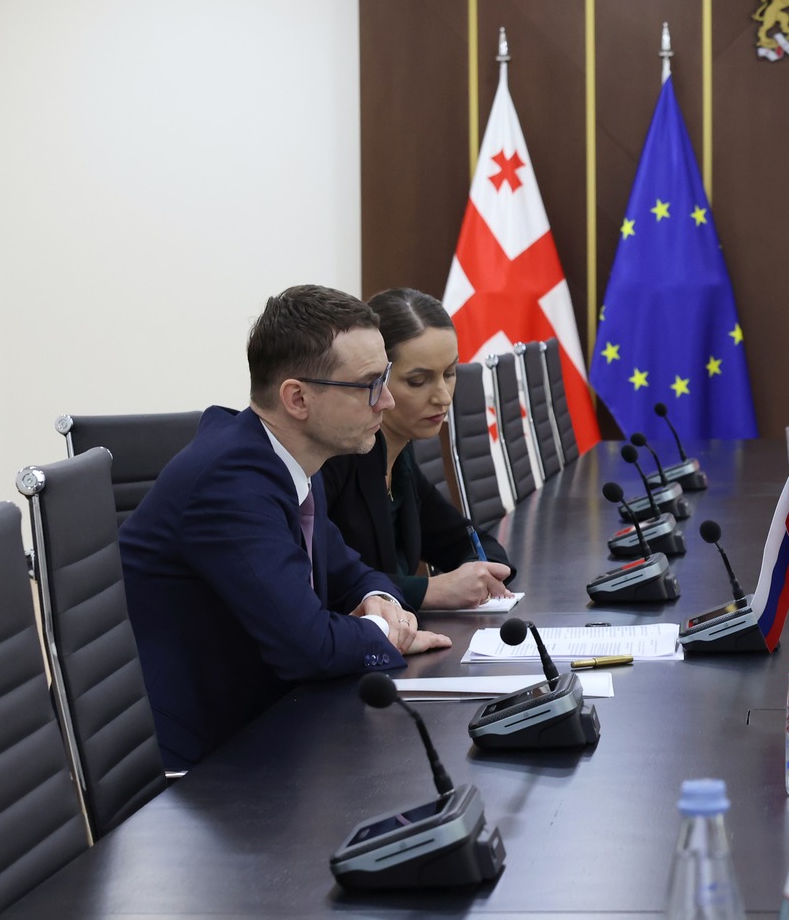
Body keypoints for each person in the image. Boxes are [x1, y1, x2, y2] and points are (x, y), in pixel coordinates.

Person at [121, 285, 451, 771]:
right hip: (202, 763)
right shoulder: (230, 483)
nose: (385, 401)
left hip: (272, 721)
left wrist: (381, 600)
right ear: (297, 398)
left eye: (384, 378)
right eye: (369, 385)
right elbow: (307, 647)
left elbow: (349, 571)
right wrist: (386, 631)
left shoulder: (290, 458)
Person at [323, 287, 513, 612]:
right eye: (417, 381)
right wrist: (429, 590)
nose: (443, 397)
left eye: (449, 374)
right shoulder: (332, 460)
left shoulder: (399, 458)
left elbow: (466, 541)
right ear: (374, 378)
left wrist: (479, 573)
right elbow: (321, 580)